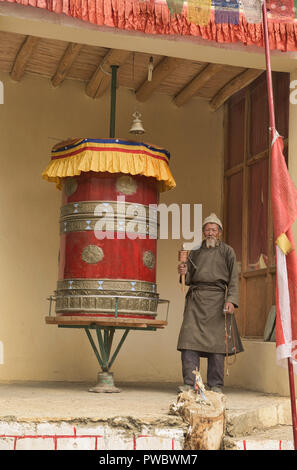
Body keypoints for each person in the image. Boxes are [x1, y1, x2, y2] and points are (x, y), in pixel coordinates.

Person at [177, 213, 244, 394]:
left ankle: (216, 385)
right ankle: (191, 384)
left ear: (220, 233)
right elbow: (188, 278)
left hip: (218, 301)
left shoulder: (227, 251)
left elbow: (233, 280)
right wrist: (183, 271)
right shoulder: (196, 251)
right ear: (203, 232)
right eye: (207, 229)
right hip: (196, 300)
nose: (210, 233)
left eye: (214, 230)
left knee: (217, 345)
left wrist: (231, 300)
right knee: (189, 341)